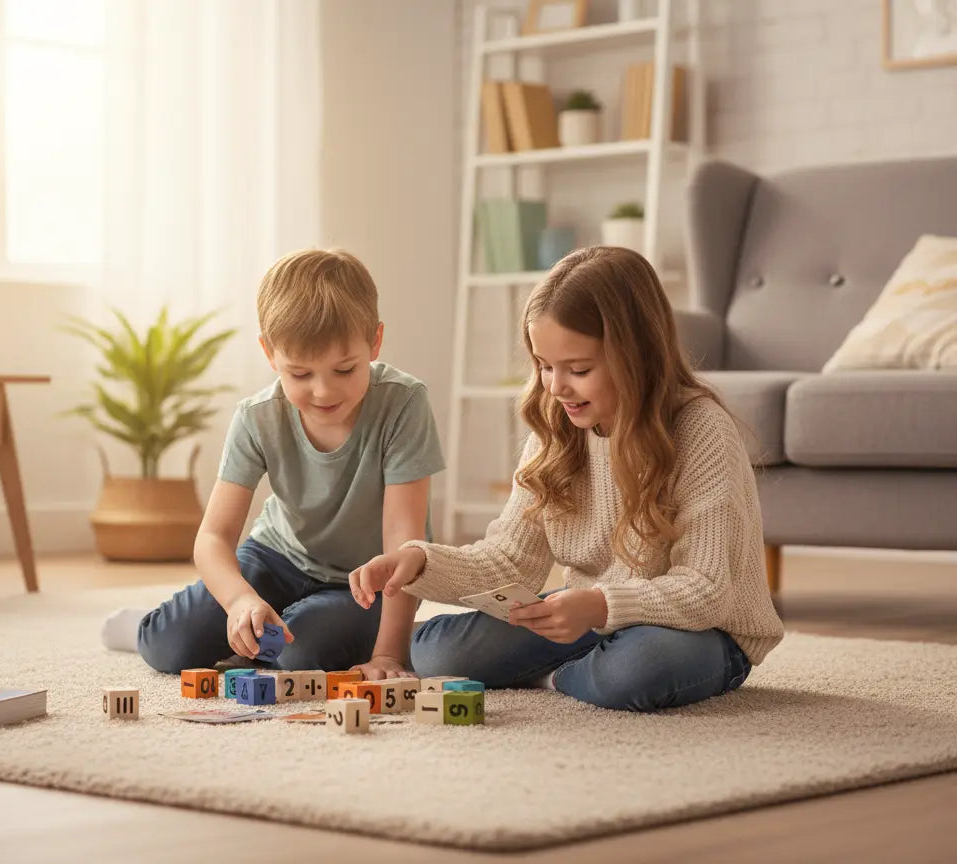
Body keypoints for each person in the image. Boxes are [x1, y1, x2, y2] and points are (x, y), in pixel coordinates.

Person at [348, 246, 784, 711]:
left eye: (578, 369)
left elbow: (707, 590)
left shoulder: (701, 430)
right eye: (544, 365)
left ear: (636, 356)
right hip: (592, 616)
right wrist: (420, 561)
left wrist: (598, 605)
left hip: (700, 632)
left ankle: (557, 677)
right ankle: (583, 669)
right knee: (437, 652)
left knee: (638, 668)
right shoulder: (556, 429)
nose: (556, 387)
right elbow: (509, 561)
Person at [102, 248, 444, 680]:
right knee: (168, 646)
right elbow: (212, 537)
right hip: (276, 557)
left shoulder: (403, 403)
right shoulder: (257, 417)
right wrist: (239, 600)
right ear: (269, 352)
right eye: (300, 374)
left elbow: (403, 540)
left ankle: (326, 630)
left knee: (297, 656)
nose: (323, 391)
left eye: (344, 370)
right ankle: (158, 622)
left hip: (362, 582)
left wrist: (389, 655)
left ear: (374, 342)